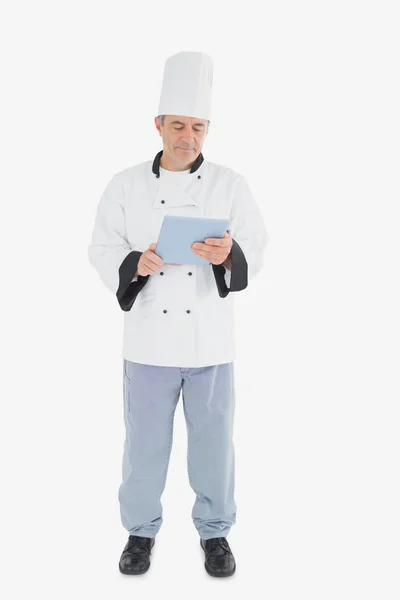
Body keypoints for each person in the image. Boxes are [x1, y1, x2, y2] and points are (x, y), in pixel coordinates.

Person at [88, 51, 269, 577]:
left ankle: (215, 534)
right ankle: (139, 533)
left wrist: (228, 255)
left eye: (197, 127)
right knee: (144, 445)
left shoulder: (230, 184)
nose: (187, 136)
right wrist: (134, 262)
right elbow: (101, 247)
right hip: (147, 343)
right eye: (178, 126)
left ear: (206, 130)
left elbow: (256, 247)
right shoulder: (125, 185)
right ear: (158, 125)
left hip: (210, 342)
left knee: (214, 446)